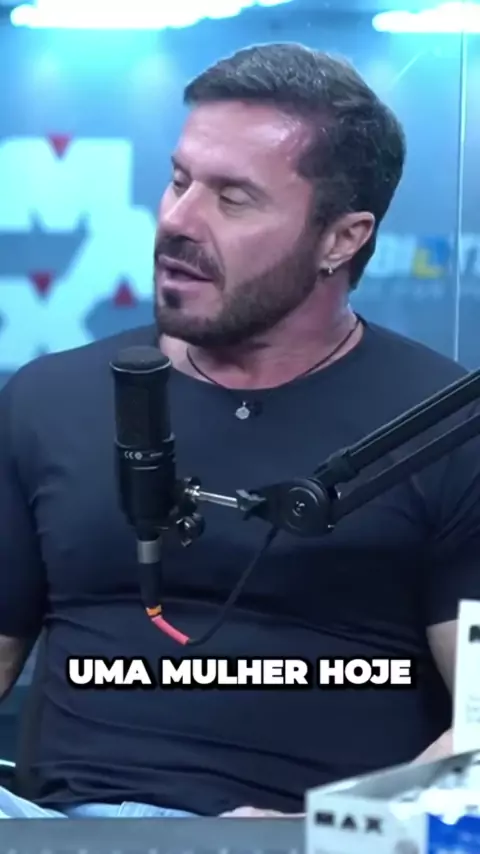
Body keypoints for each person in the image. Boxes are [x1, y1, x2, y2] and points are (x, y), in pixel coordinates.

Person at [0, 42, 478, 821]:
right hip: (50, 829)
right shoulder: (48, 399)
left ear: (342, 238)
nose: (177, 220)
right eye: (179, 180)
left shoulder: (444, 428)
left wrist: (324, 833)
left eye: (233, 198)